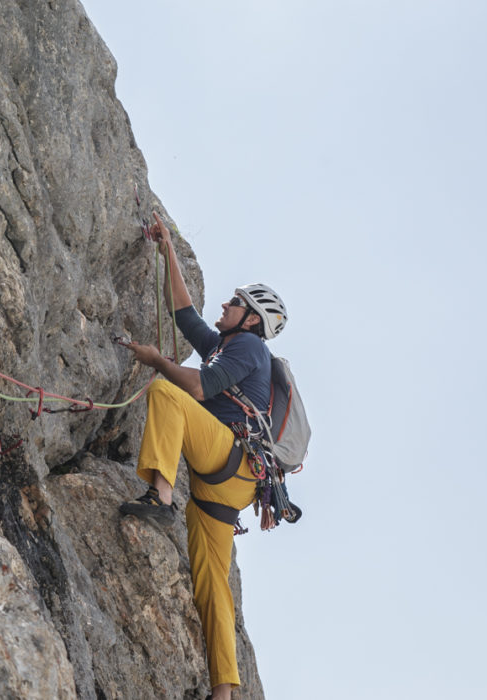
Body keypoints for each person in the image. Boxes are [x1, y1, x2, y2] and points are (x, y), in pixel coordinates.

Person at [118, 214, 288, 700]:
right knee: (213, 582)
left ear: (251, 318)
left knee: (166, 391)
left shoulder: (249, 348)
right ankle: (226, 690)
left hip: (230, 458)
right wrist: (166, 248)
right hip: (228, 486)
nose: (226, 305)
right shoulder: (224, 345)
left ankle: (160, 496)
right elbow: (184, 314)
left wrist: (157, 361)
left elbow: (193, 384)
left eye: (236, 302)